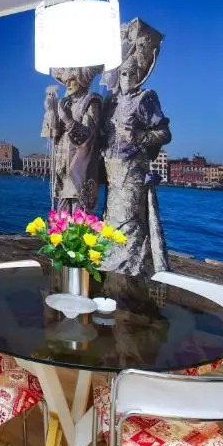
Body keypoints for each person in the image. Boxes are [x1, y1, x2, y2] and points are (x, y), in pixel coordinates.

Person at [100, 19, 172, 276]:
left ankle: (131, 273)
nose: (127, 78)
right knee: (112, 219)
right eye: (123, 73)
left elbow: (164, 133)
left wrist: (138, 136)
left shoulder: (145, 98)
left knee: (129, 220)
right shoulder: (112, 102)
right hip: (113, 173)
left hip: (133, 172)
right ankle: (110, 270)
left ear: (139, 74)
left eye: (132, 73)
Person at [41, 65, 103, 214]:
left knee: (79, 214)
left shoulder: (90, 102)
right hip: (63, 168)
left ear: (81, 80)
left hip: (80, 168)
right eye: (66, 81)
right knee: (61, 215)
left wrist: (68, 120)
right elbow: (53, 134)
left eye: (72, 80)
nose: (68, 84)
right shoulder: (64, 102)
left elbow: (89, 136)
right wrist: (51, 111)